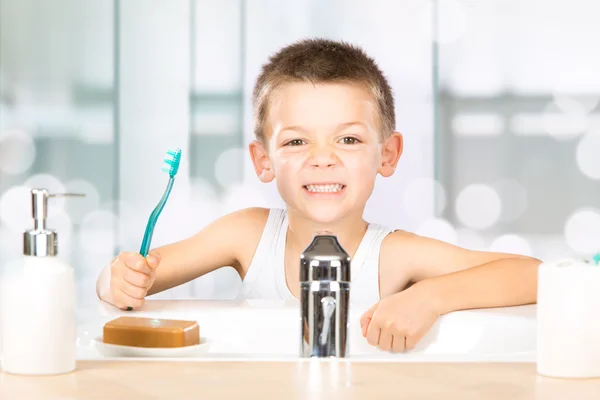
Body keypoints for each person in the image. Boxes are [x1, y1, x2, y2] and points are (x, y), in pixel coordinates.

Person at [96, 38, 540, 352]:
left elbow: (535, 275)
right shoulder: (245, 235)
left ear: (387, 155)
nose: (322, 159)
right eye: (296, 141)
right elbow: (131, 284)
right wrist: (116, 279)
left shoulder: (395, 255)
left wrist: (429, 297)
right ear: (263, 160)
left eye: (347, 140)